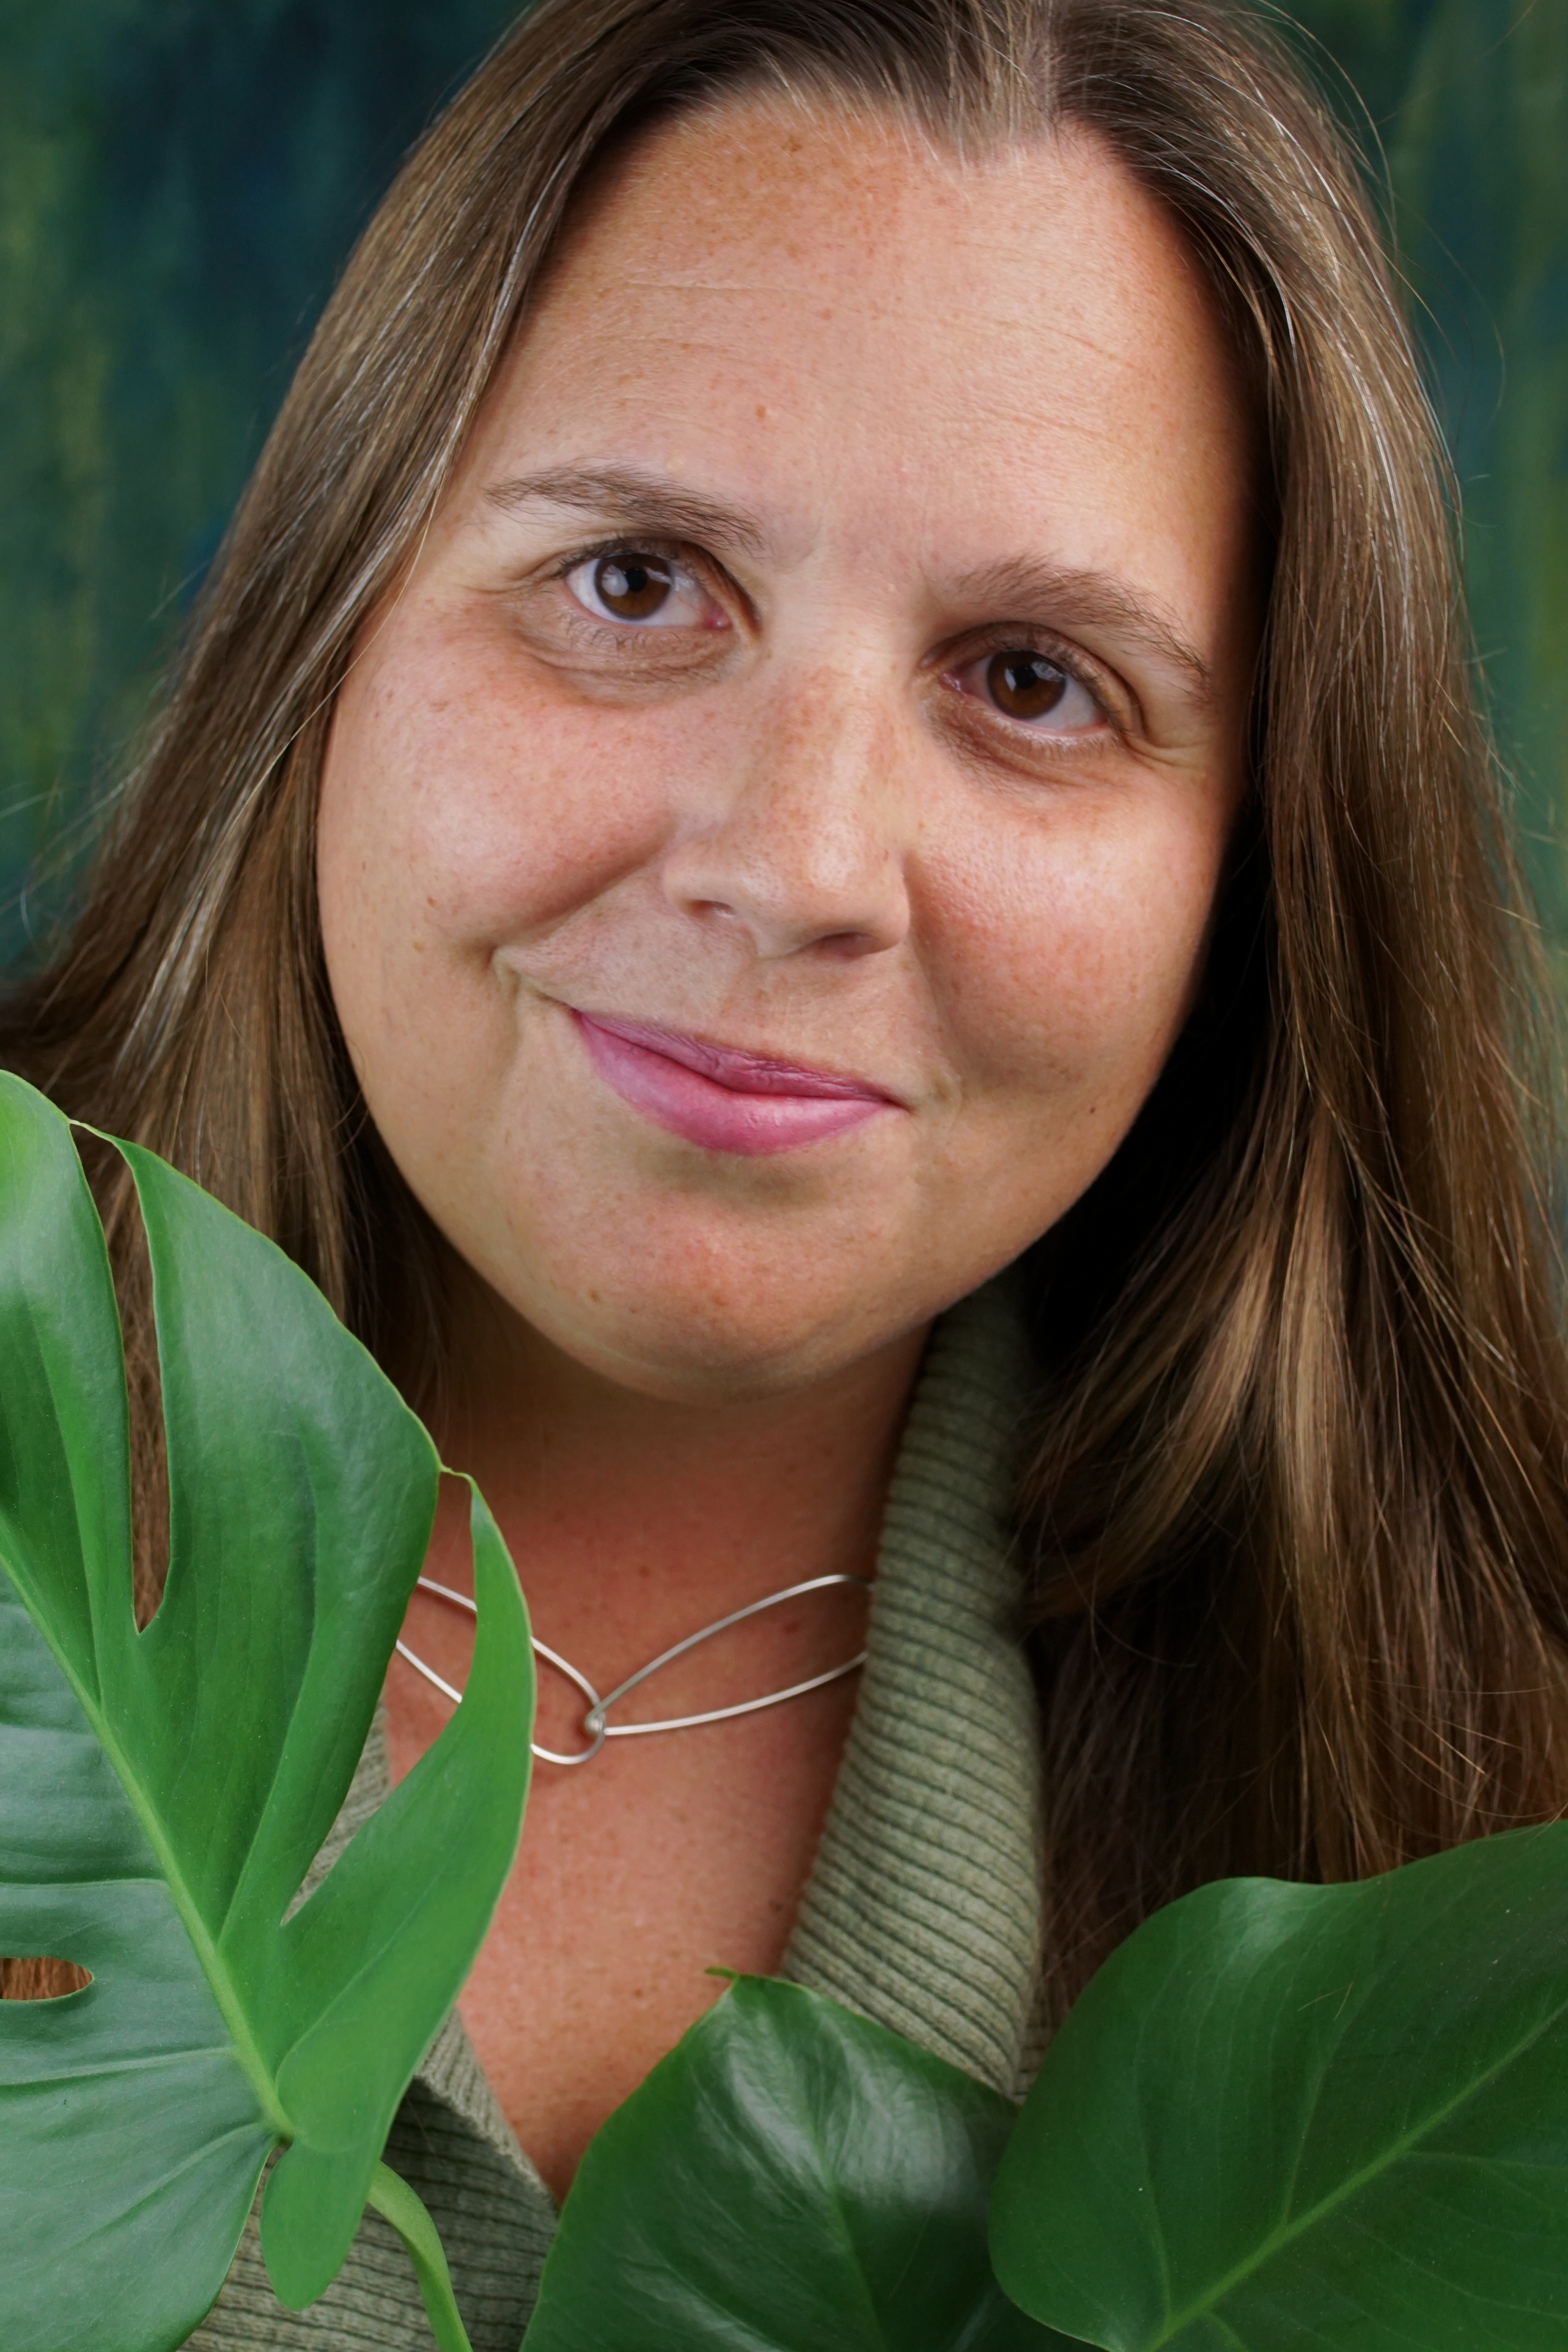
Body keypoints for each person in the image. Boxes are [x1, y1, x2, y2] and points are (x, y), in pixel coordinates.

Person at [6, 0, 1568, 2341]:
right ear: (329, 621)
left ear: (1257, 865)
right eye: (635, 581)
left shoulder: (1491, 1773)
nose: (801, 860)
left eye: (1035, 679)